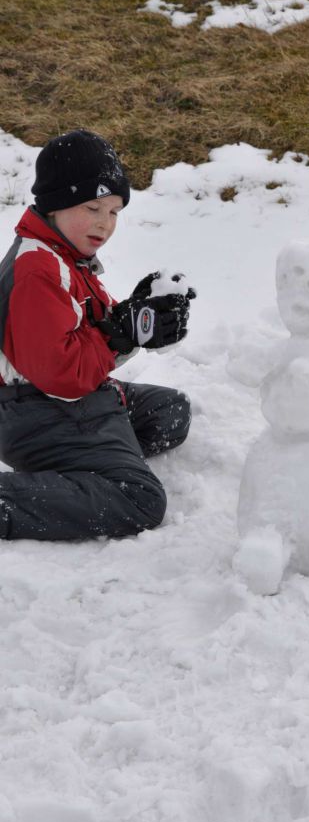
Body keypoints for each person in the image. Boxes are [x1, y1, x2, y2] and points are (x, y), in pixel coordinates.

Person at [0, 129, 195, 541]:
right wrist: (119, 336)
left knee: (170, 412)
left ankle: (85, 463)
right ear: (56, 203)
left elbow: (93, 338)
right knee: (138, 497)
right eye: (93, 207)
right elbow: (62, 375)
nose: (104, 224)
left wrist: (136, 320)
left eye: (114, 212)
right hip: (37, 411)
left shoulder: (69, 259)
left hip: (69, 398)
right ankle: (73, 474)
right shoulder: (39, 270)